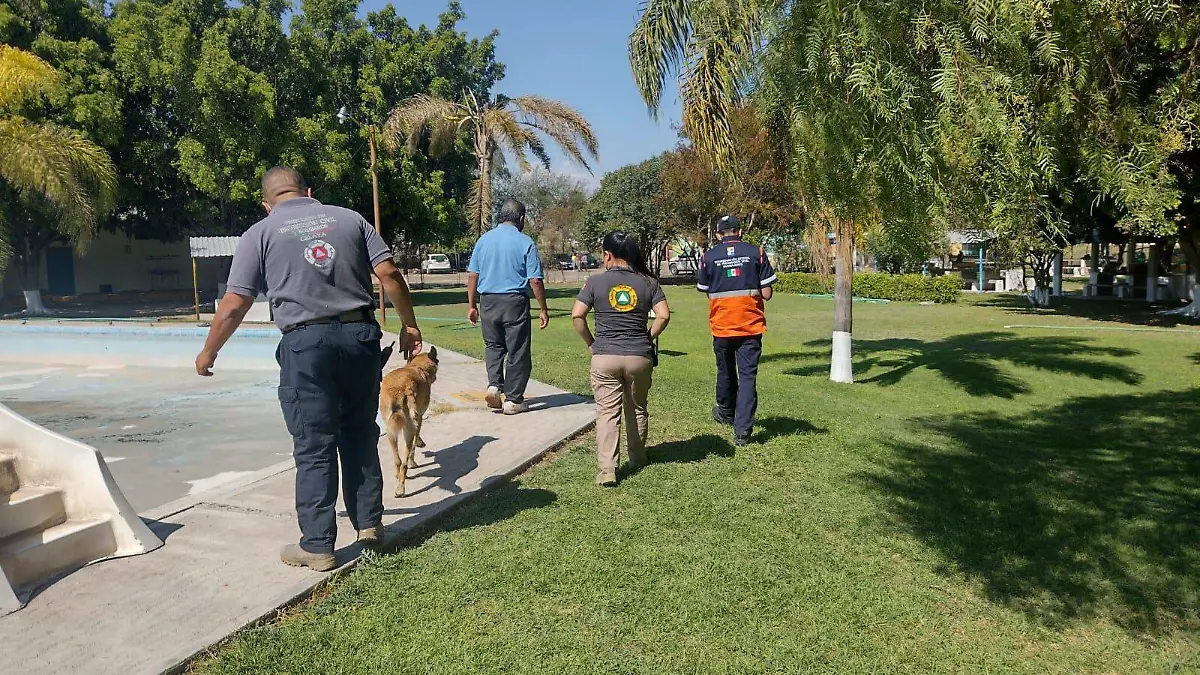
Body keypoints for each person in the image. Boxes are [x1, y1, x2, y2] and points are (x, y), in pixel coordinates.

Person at [195, 166, 422, 572]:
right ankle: (369, 525)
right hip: (359, 338)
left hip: (306, 345)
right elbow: (388, 273)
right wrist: (409, 324)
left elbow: (235, 302)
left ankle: (317, 545)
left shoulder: (259, 234)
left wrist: (209, 352)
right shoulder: (350, 218)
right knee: (359, 433)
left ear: (266, 204)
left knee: (315, 443)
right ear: (308, 191)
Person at [572, 231, 670, 486]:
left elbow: (577, 315)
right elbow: (664, 315)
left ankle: (607, 470)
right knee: (637, 408)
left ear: (607, 255)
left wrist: (592, 344)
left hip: (605, 355)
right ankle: (637, 457)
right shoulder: (649, 282)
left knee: (607, 412)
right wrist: (648, 337)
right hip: (639, 356)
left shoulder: (594, 282)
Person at [697, 215, 776, 446]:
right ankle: (742, 432)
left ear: (719, 235)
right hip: (750, 326)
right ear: (740, 232)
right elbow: (767, 294)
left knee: (725, 370)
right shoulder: (757, 253)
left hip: (722, 325)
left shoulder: (708, 257)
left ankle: (725, 411)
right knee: (748, 376)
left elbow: (704, 288)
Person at [466, 199, 548, 415]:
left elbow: (473, 275)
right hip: (514, 302)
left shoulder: (483, 241)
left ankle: (494, 385)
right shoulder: (525, 242)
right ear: (521, 219)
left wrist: (472, 305)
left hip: (488, 301)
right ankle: (513, 399)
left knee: (493, 346)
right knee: (518, 350)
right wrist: (543, 309)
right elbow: (535, 281)